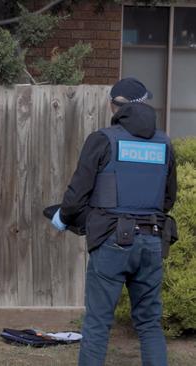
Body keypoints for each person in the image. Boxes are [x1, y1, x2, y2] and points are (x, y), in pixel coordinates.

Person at [51, 78, 177, 366]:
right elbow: (168, 198)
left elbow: (75, 197)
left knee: (97, 323)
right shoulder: (164, 143)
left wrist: (62, 219)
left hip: (112, 241)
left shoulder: (103, 139)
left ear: (113, 105)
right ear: (144, 104)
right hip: (153, 239)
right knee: (149, 325)